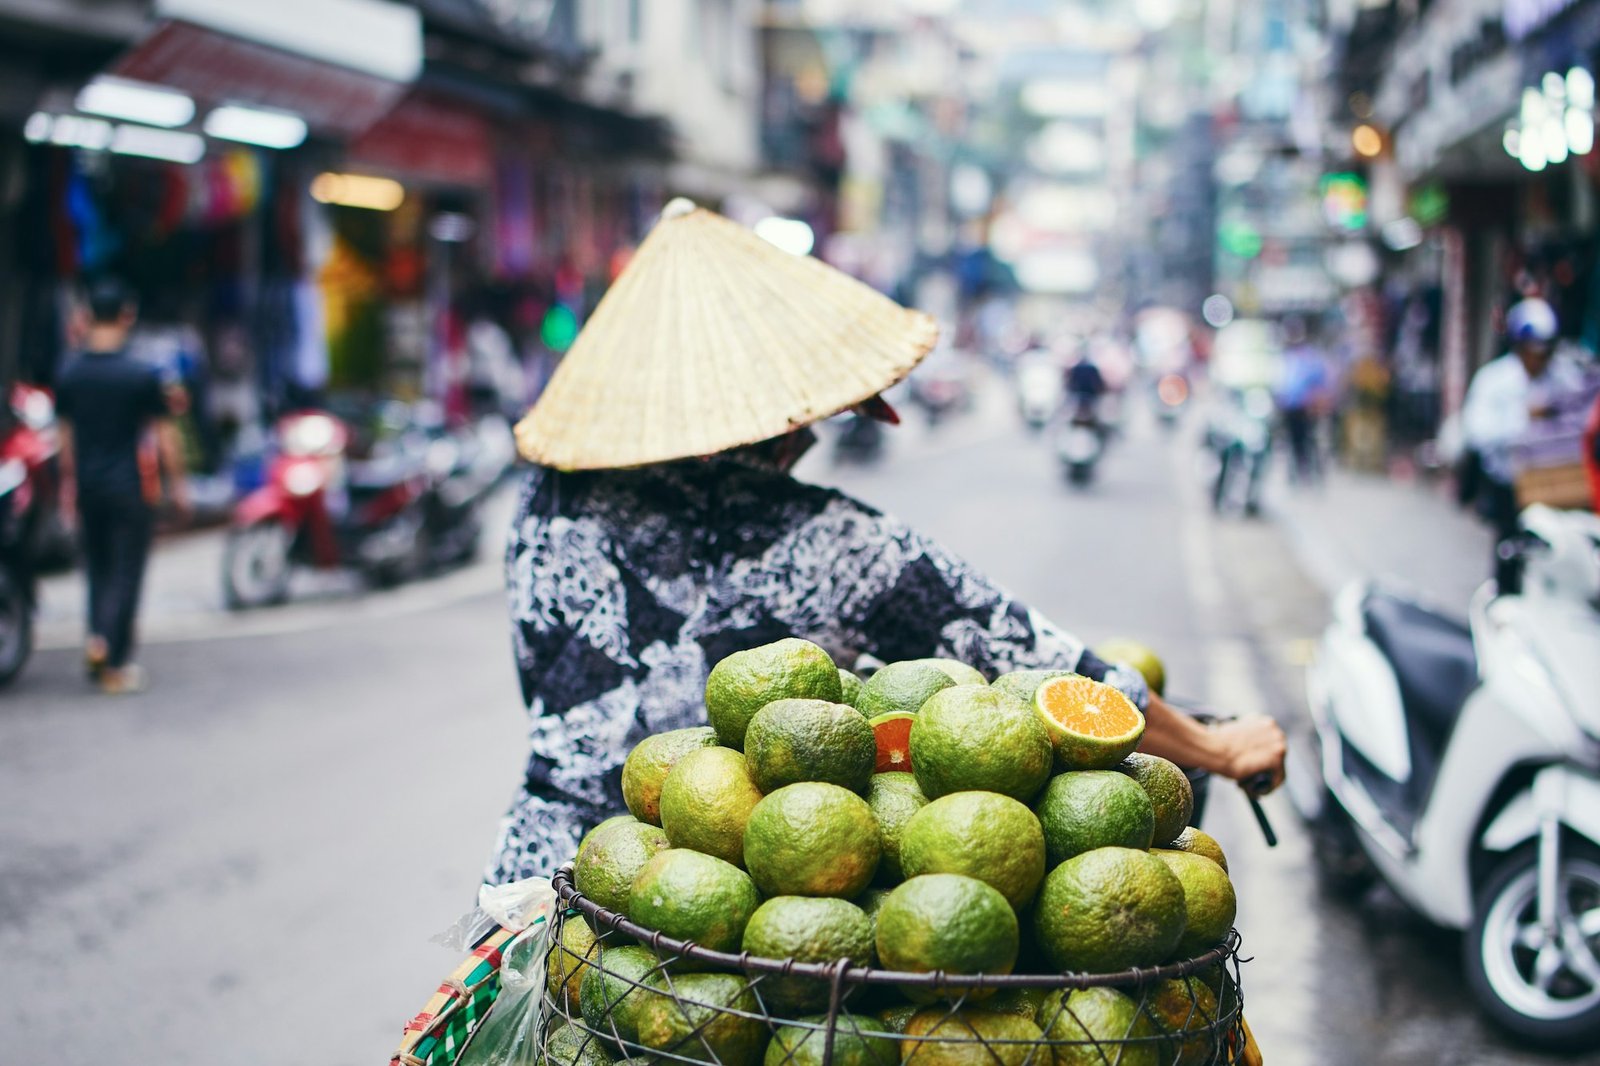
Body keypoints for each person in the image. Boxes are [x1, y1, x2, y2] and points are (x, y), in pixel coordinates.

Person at [487, 202, 1287, 884]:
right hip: (694, 888)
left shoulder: (544, 502)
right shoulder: (820, 540)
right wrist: (1215, 747)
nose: (804, 439)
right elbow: (1046, 670)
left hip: (542, 878)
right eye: (799, 420)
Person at [56, 279, 190, 693]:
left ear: (87, 316)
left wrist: (69, 485)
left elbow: (65, 441)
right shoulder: (140, 374)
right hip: (131, 486)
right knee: (126, 572)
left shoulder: (70, 372)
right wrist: (179, 487)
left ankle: (98, 637)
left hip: (89, 487)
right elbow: (165, 437)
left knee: (97, 569)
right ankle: (114, 659)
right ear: (127, 315)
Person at [1461, 298, 1585, 590]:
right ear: (1518, 347)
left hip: (1553, 487)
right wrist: (1525, 417)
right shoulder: (1494, 380)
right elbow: (1477, 432)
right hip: (1509, 486)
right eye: (1534, 352)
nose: (1540, 360)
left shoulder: (1563, 376)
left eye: (1546, 352)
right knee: (1510, 555)